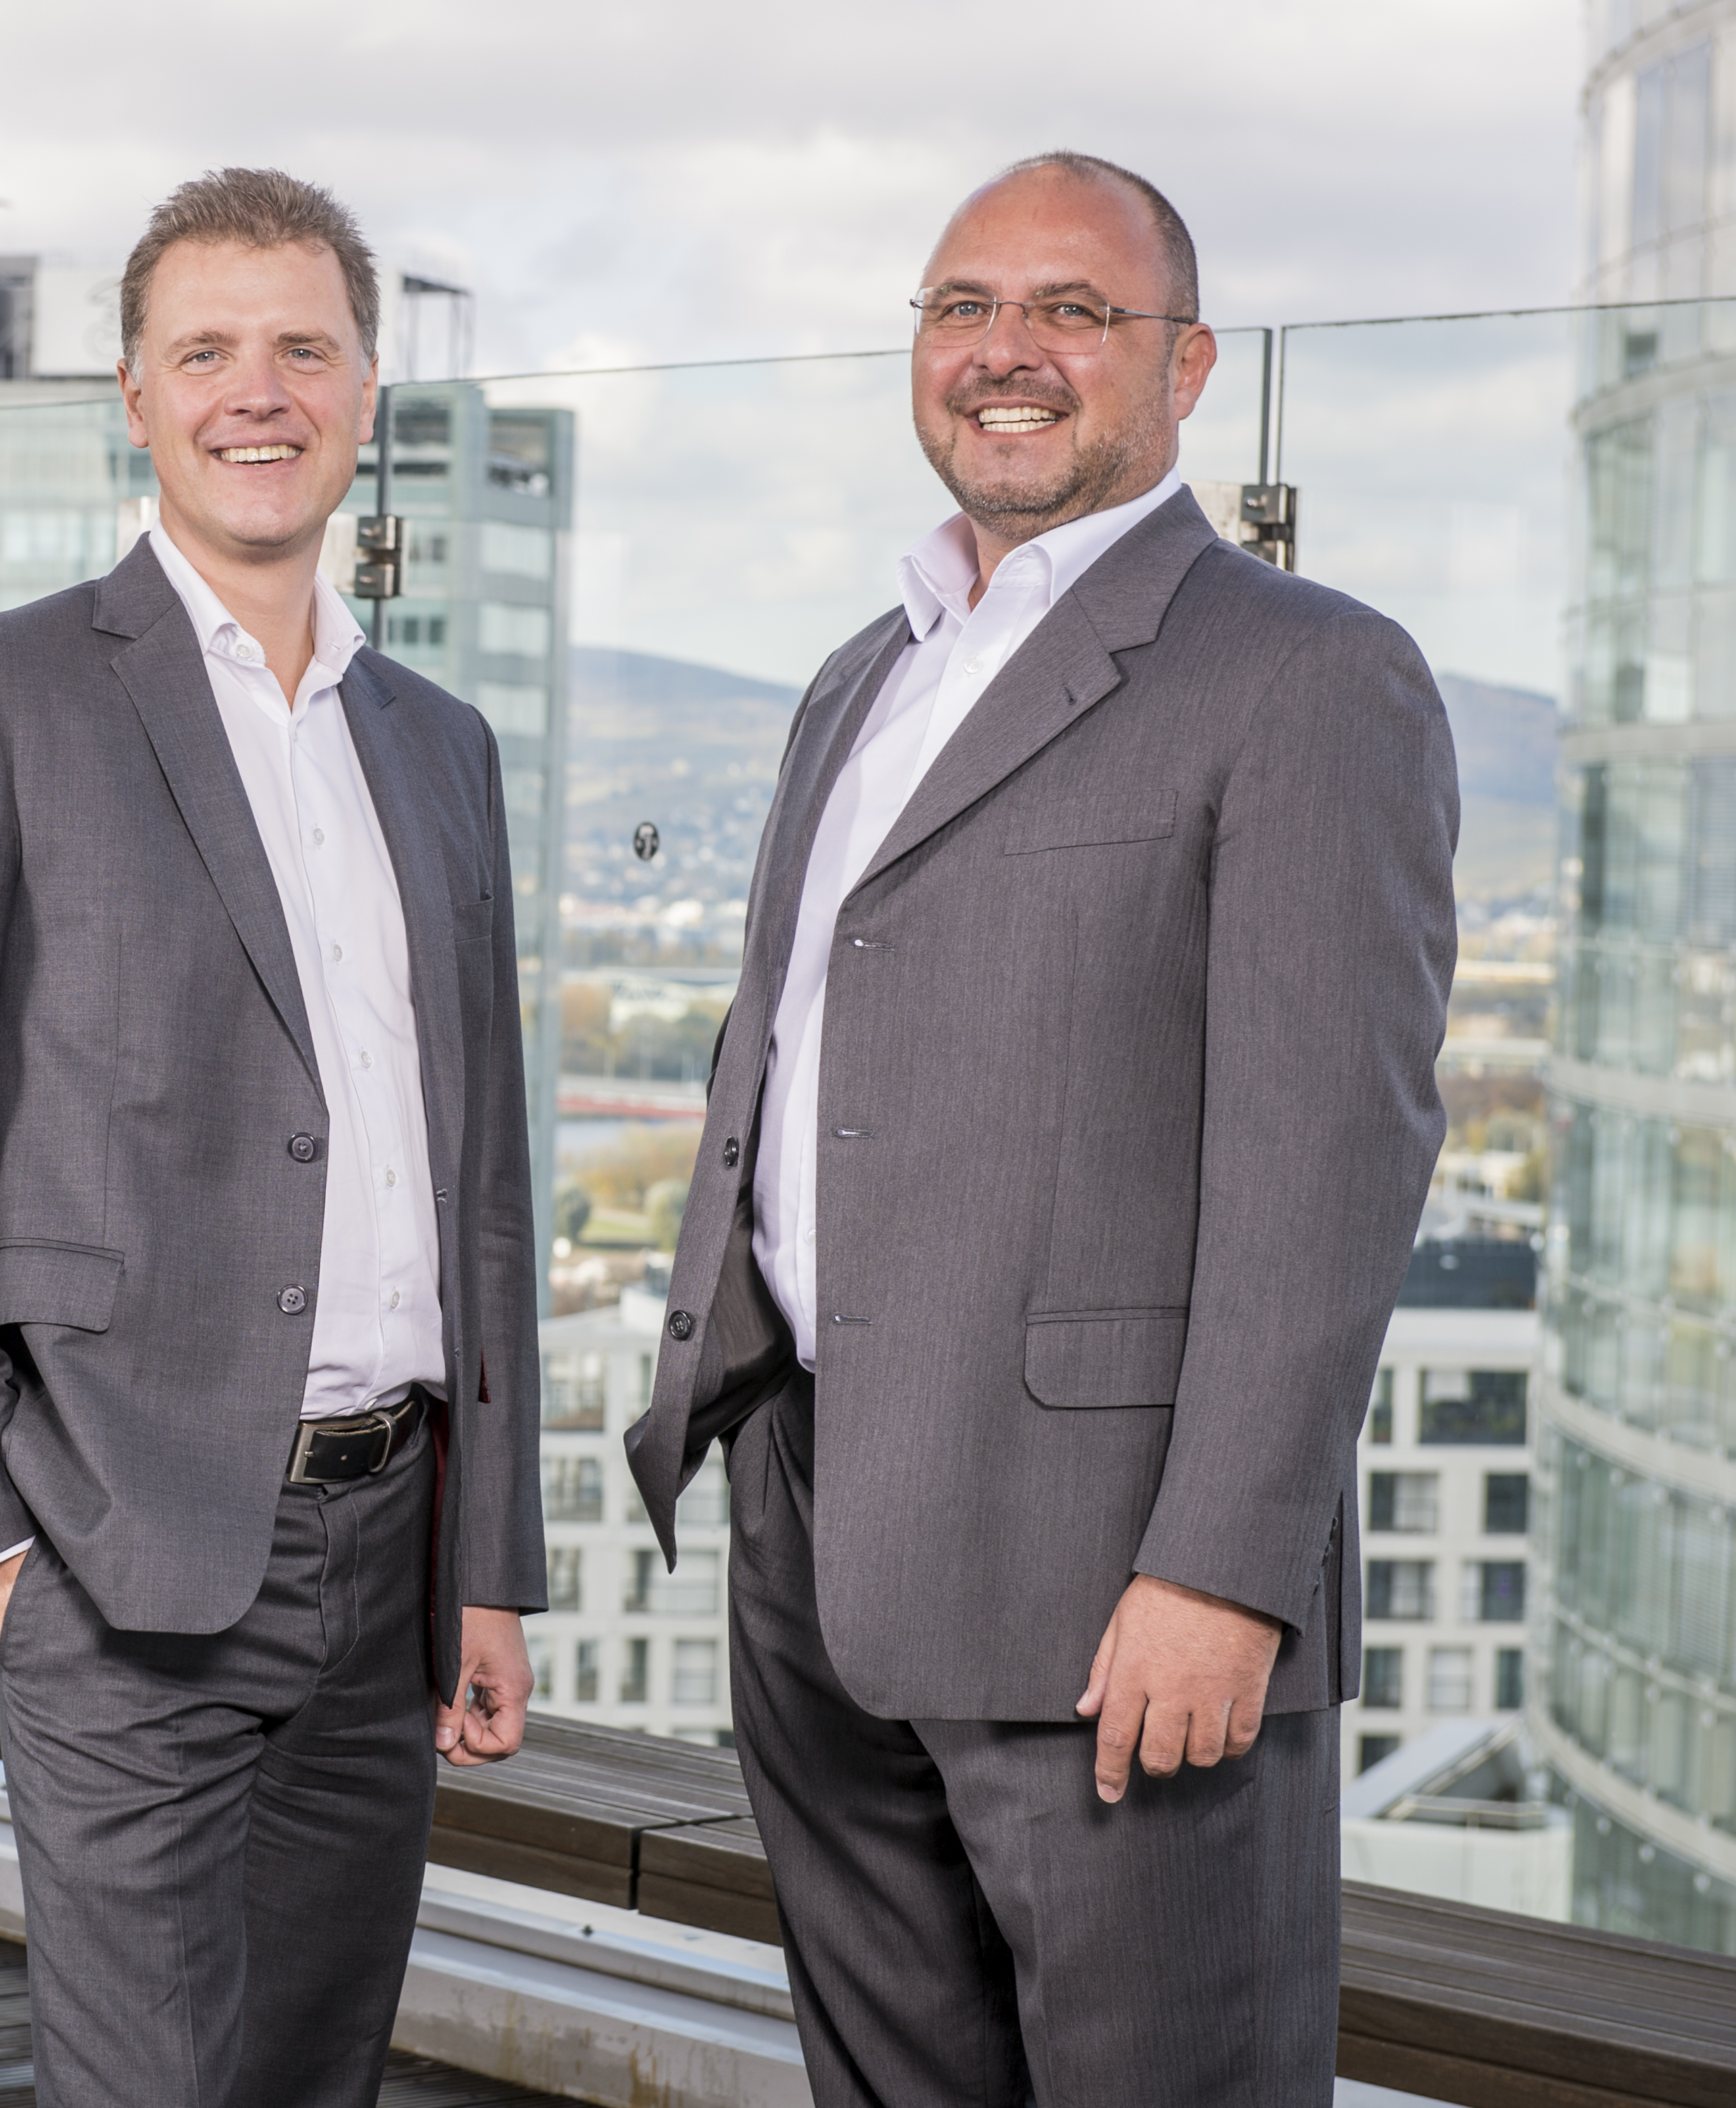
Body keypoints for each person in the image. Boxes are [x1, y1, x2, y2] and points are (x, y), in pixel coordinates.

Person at [625, 152, 1455, 2105]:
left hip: (1116, 1584)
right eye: (957, 307)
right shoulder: (862, 674)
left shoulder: (1309, 676)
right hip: (819, 1533)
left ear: (1187, 365)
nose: (1004, 353)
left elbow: (1322, 1172)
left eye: (1070, 312)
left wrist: (1225, 1571)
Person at [0, 168, 546, 2108]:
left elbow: (477, 1189)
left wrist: (489, 1559)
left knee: (315, 2077)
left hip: (389, 1562)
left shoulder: (440, 747)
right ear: (131, 399)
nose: (258, 390)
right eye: (205, 350)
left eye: (301, 347)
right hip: (111, 1542)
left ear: (367, 391)